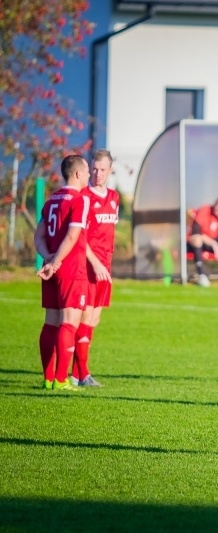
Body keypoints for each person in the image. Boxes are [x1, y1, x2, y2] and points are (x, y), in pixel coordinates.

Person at [34, 155, 98, 390]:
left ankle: (48, 378)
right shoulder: (80, 200)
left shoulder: (51, 200)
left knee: (50, 322)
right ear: (79, 174)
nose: (90, 176)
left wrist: (48, 258)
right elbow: (73, 236)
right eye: (87, 172)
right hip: (70, 268)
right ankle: (61, 379)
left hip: (51, 267)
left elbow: (38, 237)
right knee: (69, 323)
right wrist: (57, 261)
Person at [67, 149, 119, 387]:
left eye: (102, 170)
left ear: (110, 170)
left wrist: (106, 264)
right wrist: (95, 262)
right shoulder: (84, 197)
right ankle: (81, 373)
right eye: (94, 169)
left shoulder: (114, 197)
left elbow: (108, 234)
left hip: (104, 268)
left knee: (94, 319)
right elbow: (80, 236)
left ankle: (79, 373)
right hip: (88, 266)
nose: (97, 174)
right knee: (85, 318)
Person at [186, 195, 218, 287]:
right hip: (200, 241)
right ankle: (201, 275)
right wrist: (214, 244)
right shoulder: (205, 209)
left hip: (215, 241)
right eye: (217, 204)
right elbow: (196, 232)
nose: (217, 208)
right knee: (196, 239)